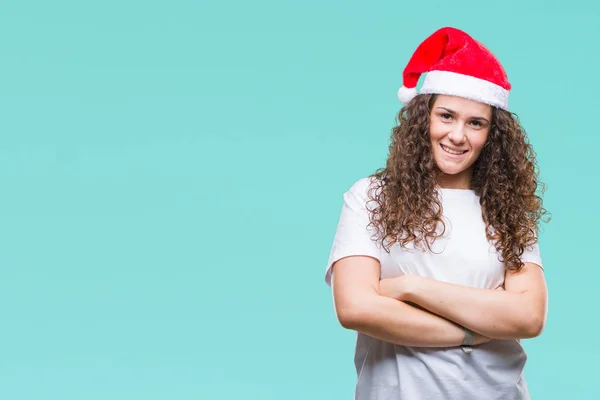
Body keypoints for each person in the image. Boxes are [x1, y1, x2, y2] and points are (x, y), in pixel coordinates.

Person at [324, 27, 550, 400]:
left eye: (475, 123)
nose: (458, 135)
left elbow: (528, 317)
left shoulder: (507, 211)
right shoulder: (370, 197)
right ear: (422, 118)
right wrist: (472, 330)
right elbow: (356, 307)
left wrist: (409, 288)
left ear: (492, 135)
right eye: (446, 116)